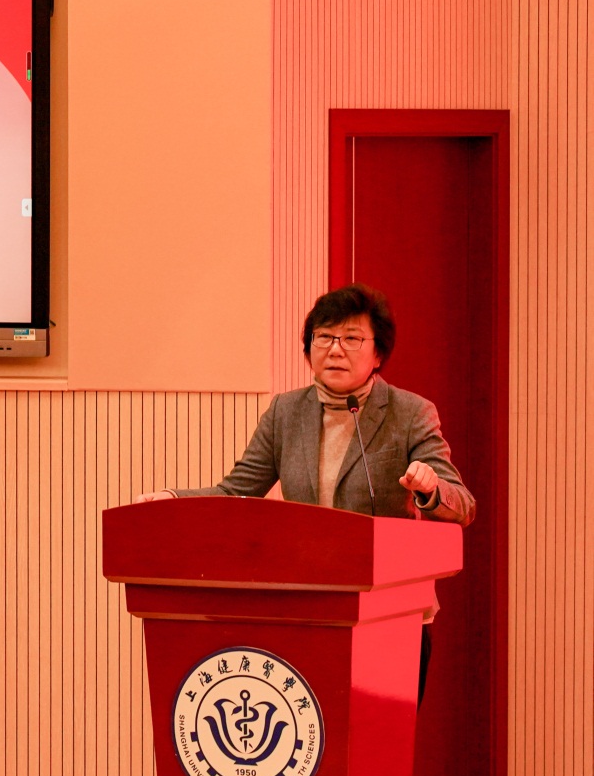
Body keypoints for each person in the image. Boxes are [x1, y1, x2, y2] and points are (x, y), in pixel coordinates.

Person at [136, 282, 474, 701]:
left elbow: (462, 505)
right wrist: (173, 501)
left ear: (378, 354)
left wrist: (431, 488)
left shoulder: (410, 413)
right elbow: (236, 490)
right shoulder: (286, 412)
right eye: (324, 337)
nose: (335, 350)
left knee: (377, 736)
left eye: (352, 338)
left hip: (391, 614)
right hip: (308, 610)